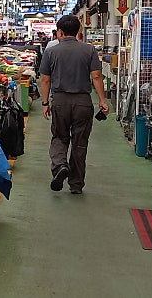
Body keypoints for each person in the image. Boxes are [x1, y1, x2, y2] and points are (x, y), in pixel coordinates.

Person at [39, 15, 109, 195]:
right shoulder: (89, 50)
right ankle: (76, 184)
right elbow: (96, 76)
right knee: (80, 143)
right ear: (78, 32)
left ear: (60, 32)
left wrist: (45, 103)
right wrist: (102, 100)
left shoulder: (51, 52)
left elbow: (45, 79)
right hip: (83, 102)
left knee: (59, 137)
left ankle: (60, 165)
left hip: (60, 101)